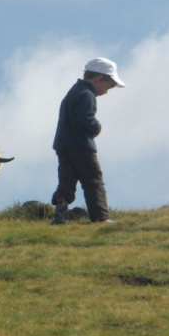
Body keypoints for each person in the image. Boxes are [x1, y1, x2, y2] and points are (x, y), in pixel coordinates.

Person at [51, 57, 125, 224]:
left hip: (64, 146)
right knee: (93, 181)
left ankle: (60, 215)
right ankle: (100, 217)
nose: (106, 91)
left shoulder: (73, 91)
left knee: (67, 181)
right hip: (82, 147)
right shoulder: (87, 94)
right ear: (99, 78)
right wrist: (96, 127)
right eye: (108, 86)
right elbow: (85, 118)